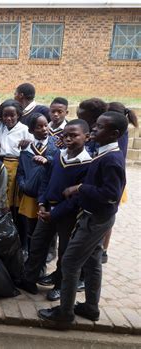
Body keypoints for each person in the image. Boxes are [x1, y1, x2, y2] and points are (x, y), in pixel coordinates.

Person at [38, 112, 128, 326]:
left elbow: (111, 195)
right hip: (96, 217)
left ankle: (65, 313)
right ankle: (90, 307)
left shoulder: (112, 159)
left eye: (100, 127)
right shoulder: (102, 152)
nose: (95, 129)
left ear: (114, 133)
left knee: (69, 262)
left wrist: (80, 187)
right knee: (93, 261)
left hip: (95, 219)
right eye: (95, 125)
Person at [20, 119, 92, 301]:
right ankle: (29, 279)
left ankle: (59, 285)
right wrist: (42, 203)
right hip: (47, 210)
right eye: (65, 135)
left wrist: (54, 213)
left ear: (87, 137)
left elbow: (76, 198)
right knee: (37, 243)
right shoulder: (58, 156)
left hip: (67, 215)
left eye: (74, 135)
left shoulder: (86, 164)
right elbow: (45, 181)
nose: (68, 139)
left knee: (65, 251)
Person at [100, 102, 138, 263]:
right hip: (117, 181)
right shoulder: (121, 131)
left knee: (108, 216)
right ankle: (103, 250)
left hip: (112, 181)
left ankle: (102, 250)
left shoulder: (117, 136)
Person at [16, 113, 58, 254]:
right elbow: (21, 171)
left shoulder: (56, 145)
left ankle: (50, 251)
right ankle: (30, 250)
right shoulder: (26, 148)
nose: (44, 129)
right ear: (31, 130)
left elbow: (59, 166)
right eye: (39, 127)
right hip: (30, 193)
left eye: (46, 125)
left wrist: (48, 161)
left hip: (48, 193)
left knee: (48, 224)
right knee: (31, 224)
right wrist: (23, 185)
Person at [0, 99, 33, 209]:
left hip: (15, 164)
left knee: (11, 194)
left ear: (18, 115)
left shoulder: (24, 129)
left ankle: (11, 219)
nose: (8, 118)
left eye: (12, 115)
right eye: (5, 115)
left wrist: (26, 146)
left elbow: (32, 149)